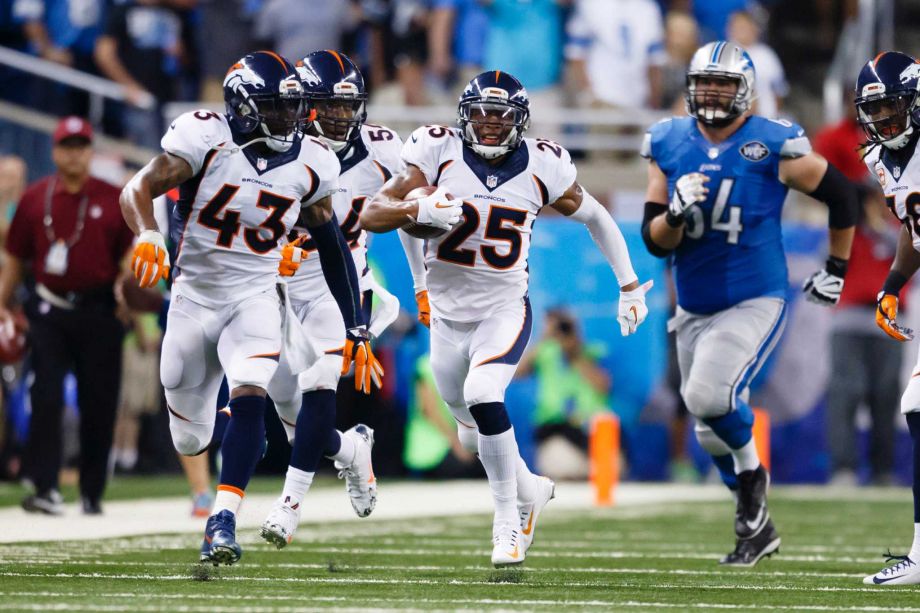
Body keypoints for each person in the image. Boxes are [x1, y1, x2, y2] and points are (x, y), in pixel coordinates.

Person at [361, 70, 653, 566]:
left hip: (502, 308)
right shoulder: (436, 151)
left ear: (519, 121)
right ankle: (530, 489)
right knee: (468, 430)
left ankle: (507, 525)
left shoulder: (543, 163)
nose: (490, 126)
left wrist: (628, 284)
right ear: (463, 118)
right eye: (480, 115)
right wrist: (416, 207)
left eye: (500, 117)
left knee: (483, 395)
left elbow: (598, 216)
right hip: (449, 319)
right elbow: (372, 213)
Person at [119, 50, 378, 566]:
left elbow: (332, 245)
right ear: (241, 106)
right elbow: (137, 188)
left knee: (252, 390)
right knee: (190, 437)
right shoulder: (204, 139)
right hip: (192, 298)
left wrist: (357, 325)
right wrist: (148, 231)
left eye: (292, 107)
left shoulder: (311, 162)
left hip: (255, 295)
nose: (289, 118)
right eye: (275, 108)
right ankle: (243, 436)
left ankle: (222, 520)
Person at [641, 41, 858, 566]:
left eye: (724, 83)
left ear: (748, 92)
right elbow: (654, 241)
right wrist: (674, 213)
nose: (712, 93)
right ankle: (754, 519)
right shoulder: (668, 142)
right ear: (690, 88)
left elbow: (844, 196)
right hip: (694, 304)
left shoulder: (773, 143)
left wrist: (836, 268)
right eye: (704, 83)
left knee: (709, 395)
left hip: (755, 297)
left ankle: (753, 480)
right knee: (702, 417)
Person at [261, 50, 400, 548]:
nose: (341, 116)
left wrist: (422, 285)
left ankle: (290, 505)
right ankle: (351, 450)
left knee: (321, 378)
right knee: (295, 419)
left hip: (338, 283)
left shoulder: (384, 149)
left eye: (348, 106)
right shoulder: (279, 144)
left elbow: (404, 208)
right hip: (277, 284)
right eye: (330, 106)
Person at [0, 116, 135, 515]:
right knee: (44, 396)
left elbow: (129, 254)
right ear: (56, 150)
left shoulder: (115, 197)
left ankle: (91, 491)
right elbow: (14, 259)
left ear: (90, 151)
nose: (74, 153)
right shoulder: (35, 198)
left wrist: (126, 288)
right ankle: (45, 486)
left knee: (99, 402)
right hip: (48, 309)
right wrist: (3, 303)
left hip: (100, 311)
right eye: (67, 146)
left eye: (81, 146)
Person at [856, 50, 920, 586]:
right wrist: (892, 286)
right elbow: (913, 227)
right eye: (877, 112)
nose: (885, 122)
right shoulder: (880, 160)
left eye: (895, 109)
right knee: (917, 405)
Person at [516, 308, 611, 480]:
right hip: (555, 427)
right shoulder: (544, 352)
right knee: (563, 465)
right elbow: (518, 373)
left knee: (607, 441)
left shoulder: (587, 352)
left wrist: (575, 352)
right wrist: (544, 337)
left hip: (586, 429)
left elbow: (603, 386)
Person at [727, 10, 787, 118]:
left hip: (767, 118)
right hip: (734, 122)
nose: (741, 31)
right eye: (738, 27)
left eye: (745, 27)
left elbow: (779, 91)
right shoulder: (724, 55)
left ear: (754, 29)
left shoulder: (767, 54)